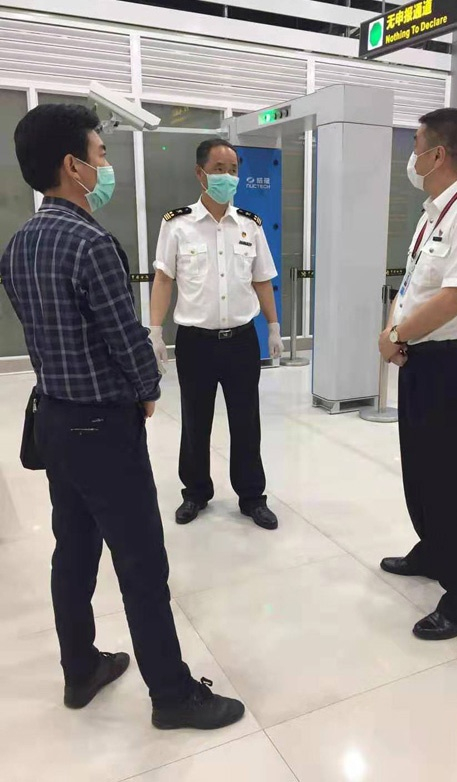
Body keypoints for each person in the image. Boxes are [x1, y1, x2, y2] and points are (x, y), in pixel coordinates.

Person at [0, 104, 244, 729]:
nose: (105, 166)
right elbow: (123, 336)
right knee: (141, 563)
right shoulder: (92, 243)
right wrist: (146, 386)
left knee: (73, 551)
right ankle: (172, 695)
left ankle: (80, 669)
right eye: (100, 154)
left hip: (54, 420)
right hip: (104, 428)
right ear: (72, 166)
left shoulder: (18, 245)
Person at [378, 108, 457, 641]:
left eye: (415, 146)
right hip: (421, 357)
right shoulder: (434, 212)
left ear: (436, 154)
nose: (411, 157)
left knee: (453, 480)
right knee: (421, 469)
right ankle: (433, 551)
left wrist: (397, 334)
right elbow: (413, 284)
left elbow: (455, 298)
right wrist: (396, 332)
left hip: (454, 363)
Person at [149, 138, 283, 531]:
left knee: (247, 422)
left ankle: (252, 496)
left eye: (233, 169)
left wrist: (273, 326)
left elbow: (262, 280)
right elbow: (163, 279)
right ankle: (195, 492)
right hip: (196, 342)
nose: (228, 177)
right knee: (195, 421)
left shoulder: (250, 225)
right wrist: (154, 331)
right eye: (219, 169)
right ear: (200, 174)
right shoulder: (177, 224)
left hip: (241, 340)